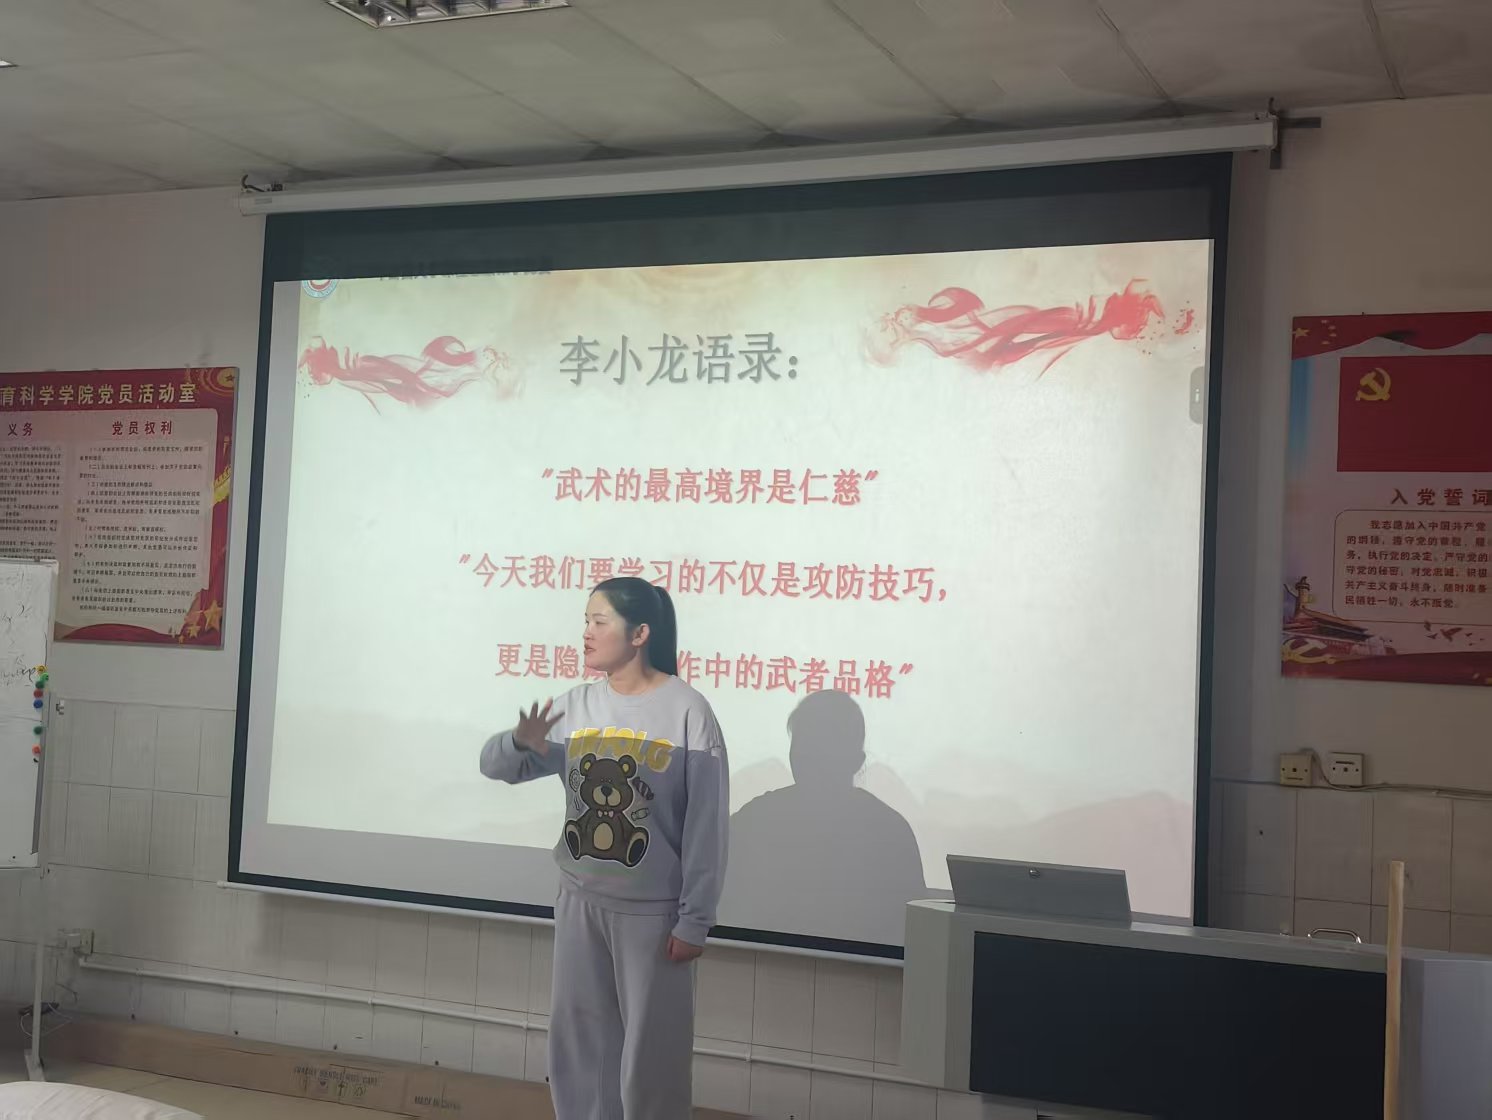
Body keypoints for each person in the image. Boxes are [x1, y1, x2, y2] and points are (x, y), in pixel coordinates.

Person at [479, 577, 729, 1120]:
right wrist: (518, 742)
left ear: (640, 634)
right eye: (585, 621)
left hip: (652, 916)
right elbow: (497, 767)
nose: (586, 633)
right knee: (581, 1047)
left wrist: (695, 920)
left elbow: (706, 826)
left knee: (651, 1054)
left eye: (600, 622)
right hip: (580, 902)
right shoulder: (576, 706)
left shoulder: (687, 711)